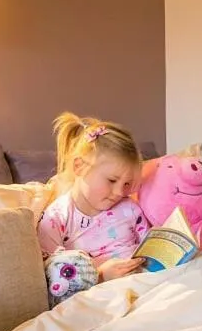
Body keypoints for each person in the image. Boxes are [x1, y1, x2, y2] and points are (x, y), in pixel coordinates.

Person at [38, 112, 150, 291]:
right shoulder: (57, 218)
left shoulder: (129, 208)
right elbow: (54, 276)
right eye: (112, 181)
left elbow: (150, 244)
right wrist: (100, 276)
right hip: (100, 291)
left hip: (146, 282)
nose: (120, 192)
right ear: (79, 167)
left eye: (127, 183)